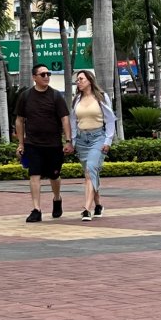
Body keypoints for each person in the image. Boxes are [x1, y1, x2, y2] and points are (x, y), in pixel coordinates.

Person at [14, 64, 73, 223]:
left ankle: (57, 198)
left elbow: (65, 119)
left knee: (54, 175)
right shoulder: (26, 96)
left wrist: (68, 141)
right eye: (42, 74)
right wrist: (21, 143)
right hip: (33, 144)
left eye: (48, 74)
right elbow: (19, 120)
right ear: (34, 77)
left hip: (53, 144)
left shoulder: (56, 96)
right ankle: (36, 209)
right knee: (34, 175)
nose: (46, 77)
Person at [69, 70, 116, 221]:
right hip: (82, 140)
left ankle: (86, 209)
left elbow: (110, 120)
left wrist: (108, 141)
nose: (78, 82)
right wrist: (72, 141)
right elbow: (73, 121)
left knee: (90, 170)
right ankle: (98, 205)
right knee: (90, 173)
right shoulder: (77, 99)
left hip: (98, 138)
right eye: (77, 80)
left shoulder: (101, 97)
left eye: (81, 79)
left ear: (90, 80)